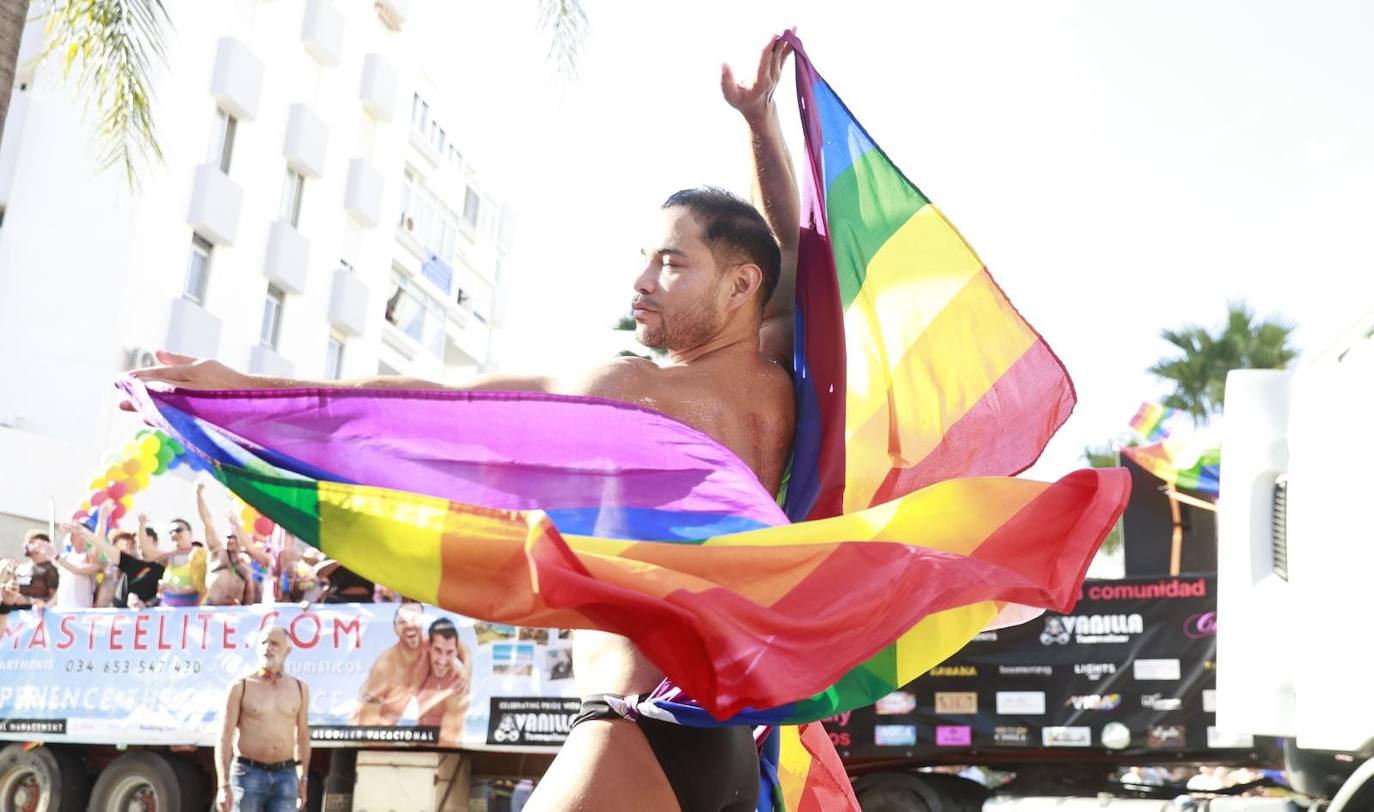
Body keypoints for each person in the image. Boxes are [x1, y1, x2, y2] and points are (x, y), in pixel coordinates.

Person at [131, 33, 801, 811]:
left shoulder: (629, 390)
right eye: (644, 257)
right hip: (727, 742)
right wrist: (760, 120)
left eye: (671, 263)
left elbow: (435, 402)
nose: (640, 282)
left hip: (640, 722)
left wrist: (242, 390)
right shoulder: (781, 379)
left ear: (738, 286)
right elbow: (789, 248)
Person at [216, 625, 311, 812]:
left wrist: (303, 777)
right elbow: (224, 736)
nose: (268, 648)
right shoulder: (241, 686)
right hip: (247, 774)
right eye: (263, 643)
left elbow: (303, 736)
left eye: (275, 643)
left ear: (288, 650)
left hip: (286, 775)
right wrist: (223, 784)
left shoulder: (299, 688)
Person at [352, 601, 430, 725]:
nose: (409, 625)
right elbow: (366, 721)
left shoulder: (429, 646)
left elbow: (460, 647)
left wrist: (466, 668)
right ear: (395, 628)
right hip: (368, 734)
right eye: (402, 622)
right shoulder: (385, 667)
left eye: (415, 619)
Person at [414, 617, 471, 747]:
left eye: (450, 652)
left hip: (444, 754)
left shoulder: (457, 685)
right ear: (429, 647)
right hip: (420, 745)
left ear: (456, 651)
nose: (443, 660)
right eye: (438, 650)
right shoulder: (422, 665)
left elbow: (447, 741)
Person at [197, 483, 251, 606]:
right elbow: (207, 520)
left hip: (236, 609)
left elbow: (250, 589)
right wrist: (198, 494)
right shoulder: (217, 552)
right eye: (228, 537)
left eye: (234, 538)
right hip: (212, 608)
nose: (231, 541)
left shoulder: (245, 560)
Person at [159, 515, 207, 606]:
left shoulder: (200, 554)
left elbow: (199, 586)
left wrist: (174, 589)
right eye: (171, 532)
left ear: (190, 533)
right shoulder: (168, 557)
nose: (174, 534)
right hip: (168, 613)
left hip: (191, 612)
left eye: (178, 530)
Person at [17, 531, 60, 605]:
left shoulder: (50, 569)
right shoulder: (21, 568)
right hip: (15, 614)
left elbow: (54, 598)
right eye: (26, 542)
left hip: (37, 614)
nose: (25, 545)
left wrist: (31, 602)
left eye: (31, 542)